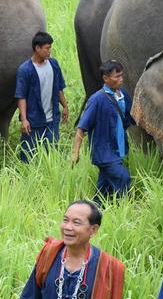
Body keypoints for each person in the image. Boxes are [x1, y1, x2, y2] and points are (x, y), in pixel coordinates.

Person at [72, 60, 135, 199]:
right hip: (104, 151)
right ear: (105, 78)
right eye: (116, 77)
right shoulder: (97, 100)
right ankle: (124, 208)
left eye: (121, 75)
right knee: (122, 177)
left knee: (104, 188)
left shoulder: (122, 94)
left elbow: (133, 115)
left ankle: (97, 206)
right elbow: (81, 128)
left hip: (118, 148)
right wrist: (75, 153)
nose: (121, 79)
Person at [15, 31, 69, 162]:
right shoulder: (25, 70)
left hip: (52, 120)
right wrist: (24, 119)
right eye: (47, 48)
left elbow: (58, 88)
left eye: (50, 47)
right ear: (37, 48)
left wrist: (65, 106)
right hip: (33, 121)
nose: (49, 51)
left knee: (51, 155)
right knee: (28, 156)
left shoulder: (54, 64)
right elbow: (21, 96)